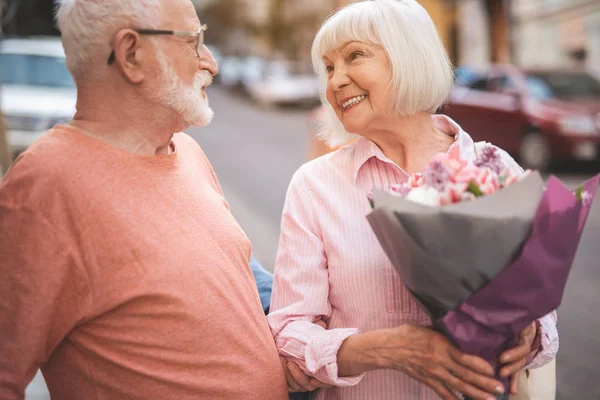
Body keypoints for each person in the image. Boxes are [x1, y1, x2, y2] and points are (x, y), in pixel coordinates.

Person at [0, 0, 324, 398]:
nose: (211, 63)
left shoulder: (186, 152)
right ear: (131, 54)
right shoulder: (45, 186)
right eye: (194, 41)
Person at [267, 1, 558, 400]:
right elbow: (288, 334)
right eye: (329, 68)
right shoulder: (315, 186)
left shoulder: (494, 167)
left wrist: (530, 330)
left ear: (408, 57)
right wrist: (386, 349)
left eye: (354, 56)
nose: (335, 81)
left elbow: (540, 302)